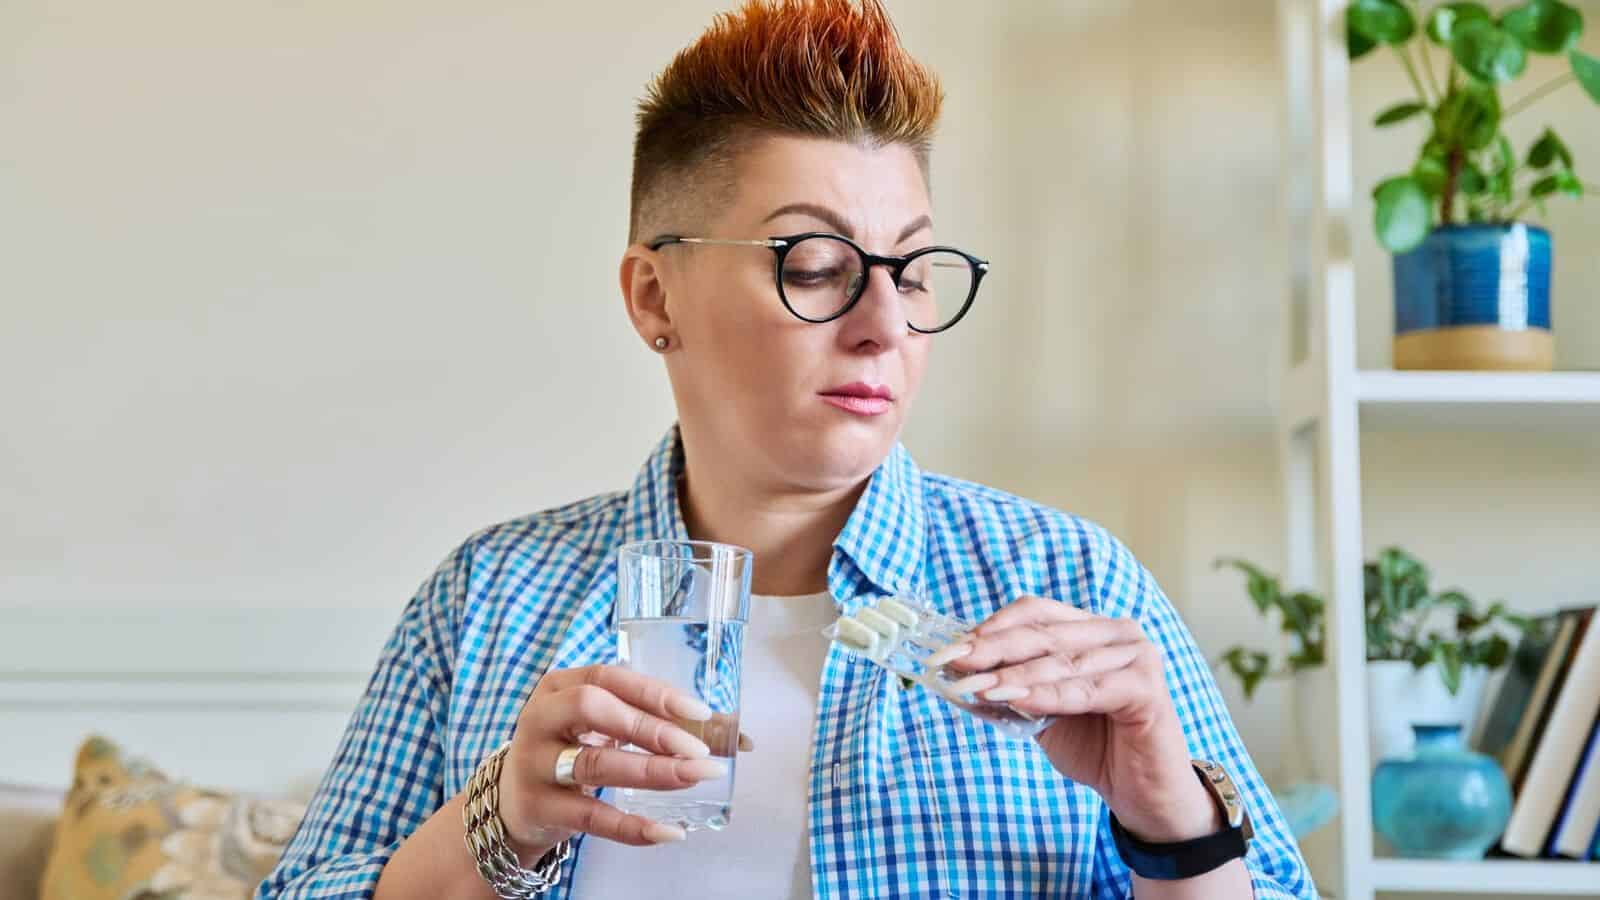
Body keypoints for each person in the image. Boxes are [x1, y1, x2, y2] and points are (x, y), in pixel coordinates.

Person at [258, 1, 1316, 897]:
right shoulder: (488, 598)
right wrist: (497, 825)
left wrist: (1170, 815)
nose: (884, 324)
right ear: (652, 294)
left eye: (910, 270)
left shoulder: (1068, 583)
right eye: (814, 264)